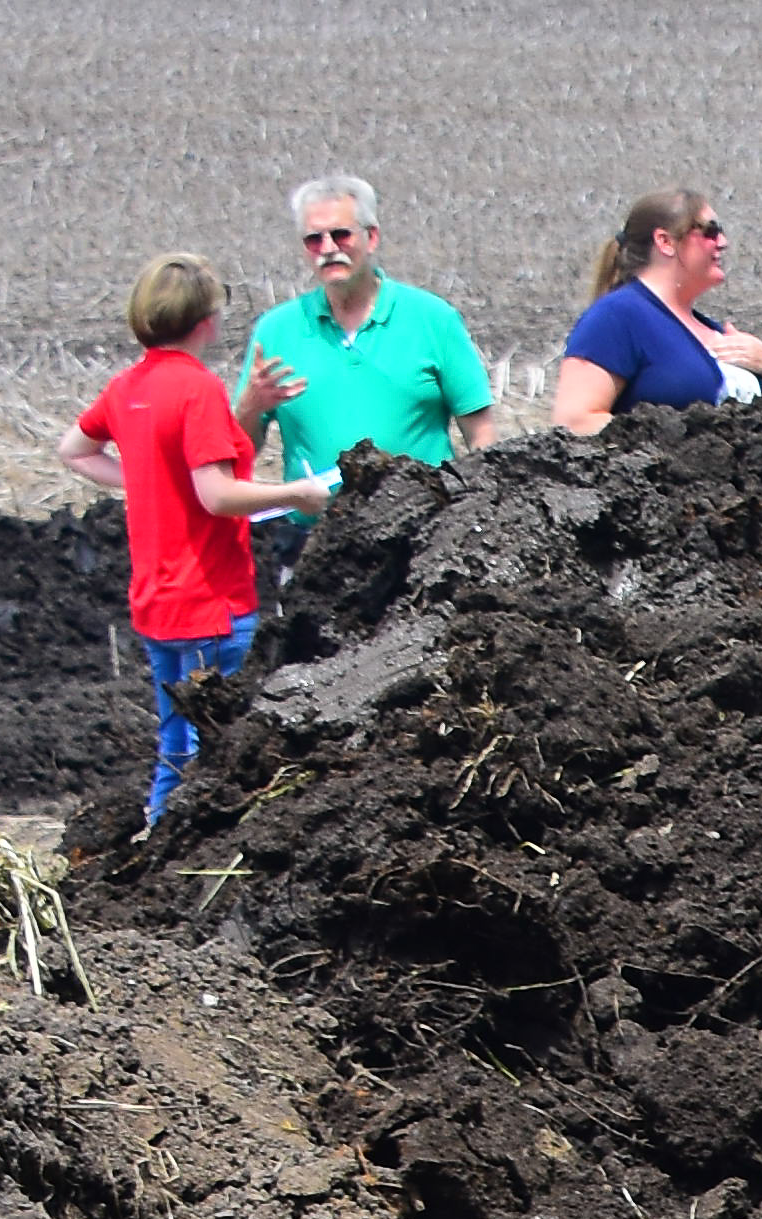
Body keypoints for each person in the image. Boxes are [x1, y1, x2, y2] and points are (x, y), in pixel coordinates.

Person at [61, 253, 331, 822]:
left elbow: (75, 453)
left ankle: (159, 850)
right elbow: (217, 494)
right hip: (212, 605)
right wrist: (296, 493)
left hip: (156, 604)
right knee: (224, 752)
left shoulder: (127, 387)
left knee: (175, 748)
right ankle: (203, 860)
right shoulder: (196, 388)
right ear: (207, 320)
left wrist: (148, 480)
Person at [246, 175, 507, 468]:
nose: (328, 248)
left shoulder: (433, 320)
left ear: (371, 238)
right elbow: (241, 449)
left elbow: (481, 434)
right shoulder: (277, 330)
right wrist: (249, 407)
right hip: (317, 514)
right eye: (314, 239)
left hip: (424, 511)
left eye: (341, 235)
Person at [549, 193, 762, 432]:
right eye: (710, 231)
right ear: (665, 242)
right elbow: (575, 422)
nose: (722, 242)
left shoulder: (714, 331)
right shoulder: (616, 317)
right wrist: (674, 441)